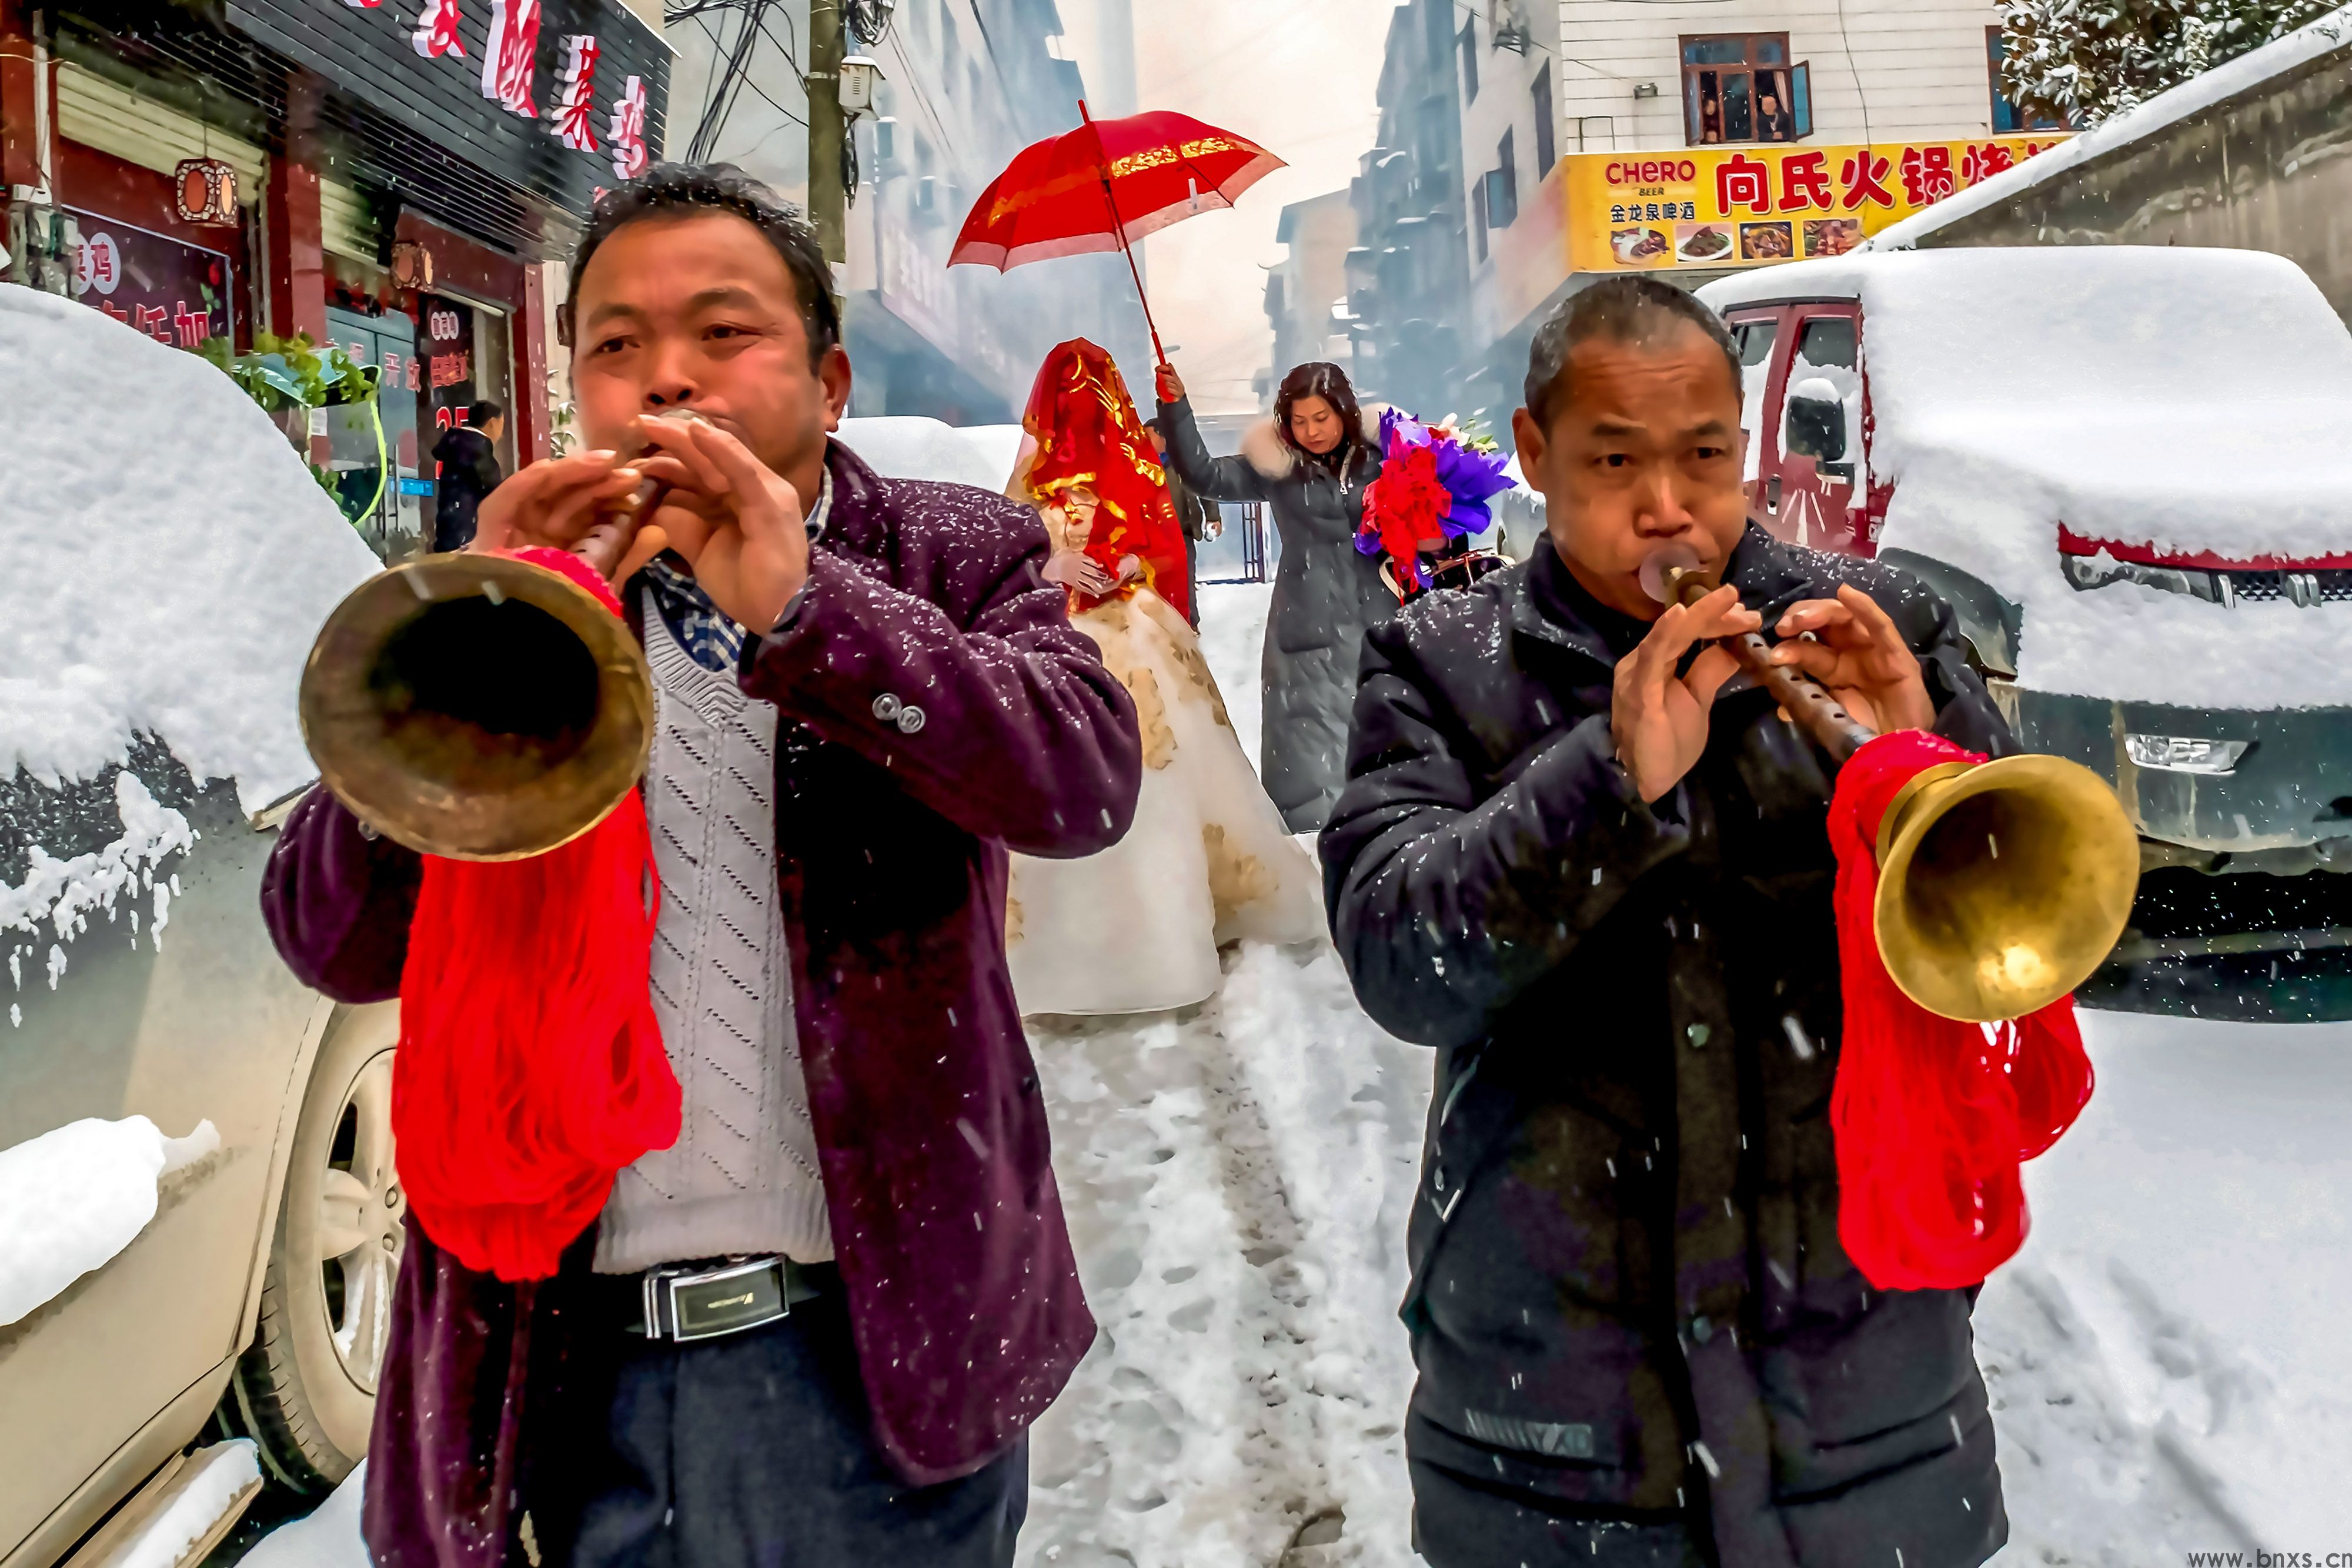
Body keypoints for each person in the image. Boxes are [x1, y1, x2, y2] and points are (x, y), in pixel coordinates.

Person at [259, 163, 1144, 1568]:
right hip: (561, 1374)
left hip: (875, 1357)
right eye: (613, 345)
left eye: (723, 333)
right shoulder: (508, 587)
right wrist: (479, 638)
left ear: (829, 380)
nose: (663, 380)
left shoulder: (945, 551)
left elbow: (1081, 783)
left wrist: (811, 611)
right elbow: (332, 940)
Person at [1319, 276, 2015, 1567]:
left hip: (1864, 1383)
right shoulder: (1439, 659)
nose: (1667, 506)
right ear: (1532, 455)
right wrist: (1603, 780)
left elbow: (2008, 956)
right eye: (1612, 460)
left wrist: (1918, 746)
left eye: (1703, 454)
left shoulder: (1879, 624)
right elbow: (1397, 955)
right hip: (1557, 1410)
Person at [1005, 340, 1321, 1018]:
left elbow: (1161, 538)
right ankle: (1085, 940)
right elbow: (1008, 544)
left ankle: (1165, 926)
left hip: (1131, 628)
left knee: (1161, 778)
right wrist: (1052, 567)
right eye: (1072, 397)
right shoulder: (1031, 474)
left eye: (1094, 394)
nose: (1083, 408)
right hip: (1060, 635)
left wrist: (1126, 568)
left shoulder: (1134, 460)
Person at [1154, 359, 1392, 833]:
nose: (1311, 432)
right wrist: (1176, 407)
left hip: (1381, 616)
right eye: (1299, 421)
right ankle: (1315, 855)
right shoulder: (1278, 468)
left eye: (1321, 418)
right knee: (1306, 743)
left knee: (1386, 731)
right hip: (1307, 624)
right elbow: (1205, 475)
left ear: (1344, 411)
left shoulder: (1384, 457)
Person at [1142, 414, 1218, 629]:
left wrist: (1213, 516)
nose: (1143, 442)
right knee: (1154, 584)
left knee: (1185, 582)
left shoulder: (1184, 462)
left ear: (1164, 437)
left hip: (1181, 531)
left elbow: (1206, 486)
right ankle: (1157, 627)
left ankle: (1190, 625)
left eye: (1149, 437)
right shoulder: (1140, 465)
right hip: (1152, 535)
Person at [429, 398, 506, 552]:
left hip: (450, 533)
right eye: (501, 426)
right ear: (492, 423)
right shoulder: (477, 452)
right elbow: (499, 497)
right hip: (467, 539)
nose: (501, 435)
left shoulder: (458, 446)